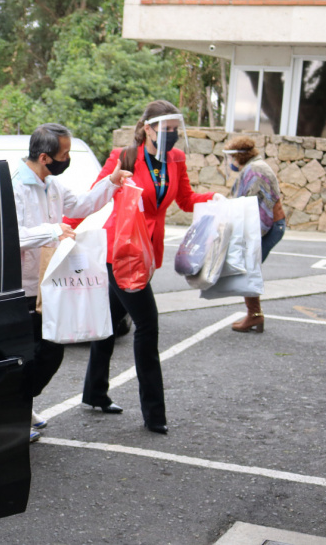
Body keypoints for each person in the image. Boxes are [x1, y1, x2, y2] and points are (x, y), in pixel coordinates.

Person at [80, 100, 221, 435]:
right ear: (147, 128)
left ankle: (94, 392)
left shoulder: (176, 159)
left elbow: (185, 201)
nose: (171, 135)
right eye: (165, 129)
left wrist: (214, 198)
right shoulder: (123, 157)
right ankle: (154, 414)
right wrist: (64, 227)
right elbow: (96, 196)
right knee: (147, 326)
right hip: (122, 251)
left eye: (175, 130)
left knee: (111, 322)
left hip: (147, 252)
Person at [14, 123, 130, 442]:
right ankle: (17, 410)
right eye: (64, 154)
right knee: (32, 353)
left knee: (51, 352)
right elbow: (9, 236)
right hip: (23, 287)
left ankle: (21, 404)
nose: (67, 159)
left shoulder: (51, 184)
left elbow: (81, 206)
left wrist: (111, 182)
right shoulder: (15, 187)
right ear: (44, 157)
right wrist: (52, 231)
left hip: (49, 283)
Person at [223, 136, 286, 333]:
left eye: (233, 157)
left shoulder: (255, 170)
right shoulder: (252, 168)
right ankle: (254, 315)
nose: (231, 162)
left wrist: (246, 236)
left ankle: (254, 316)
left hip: (270, 226)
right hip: (270, 225)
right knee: (248, 267)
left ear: (240, 156)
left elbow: (255, 207)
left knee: (248, 267)